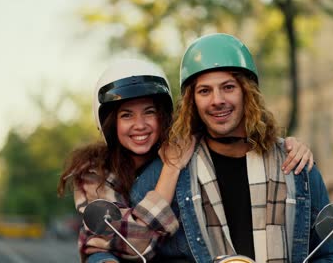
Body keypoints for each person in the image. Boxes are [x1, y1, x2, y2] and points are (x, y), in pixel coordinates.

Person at [57, 58, 315, 263]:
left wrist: (284, 145)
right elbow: (126, 246)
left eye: (149, 112)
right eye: (126, 115)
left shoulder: (191, 152)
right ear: (110, 123)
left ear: (164, 116)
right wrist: (170, 169)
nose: (140, 125)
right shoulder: (96, 175)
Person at [130, 33, 333, 262]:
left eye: (228, 87)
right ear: (192, 101)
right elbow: (133, 251)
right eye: (204, 91)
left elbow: (327, 254)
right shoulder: (168, 170)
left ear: (246, 93)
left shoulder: (297, 167)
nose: (217, 100)